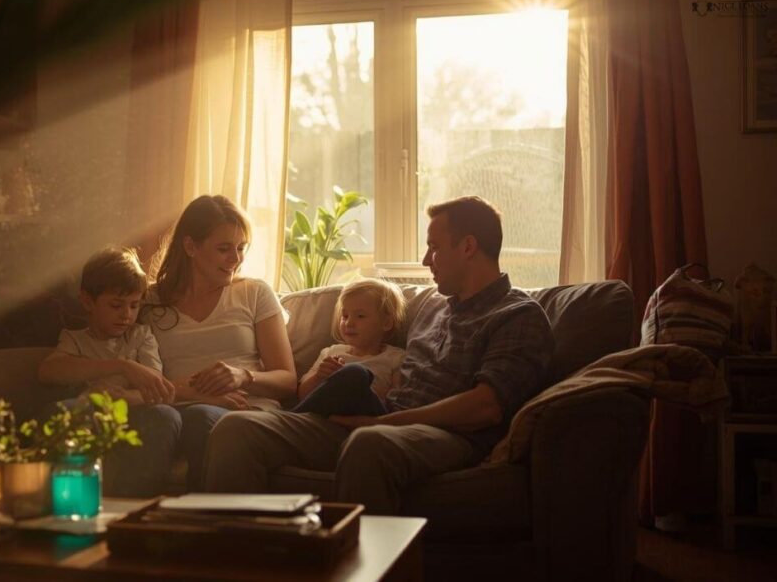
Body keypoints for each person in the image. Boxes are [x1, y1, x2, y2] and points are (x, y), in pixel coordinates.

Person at [204, 196, 555, 515]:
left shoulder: (518, 316)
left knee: (369, 443)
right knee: (238, 428)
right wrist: (374, 418)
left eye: (433, 247)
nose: (425, 260)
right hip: (379, 420)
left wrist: (382, 424)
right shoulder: (434, 308)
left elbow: (485, 407)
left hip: (447, 436)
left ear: (467, 247)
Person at [142, 194, 297, 490]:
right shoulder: (149, 301)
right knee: (162, 420)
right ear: (190, 247)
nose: (236, 259)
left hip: (245, 413)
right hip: (177, 409)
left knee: (202, 418)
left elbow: (288, 380)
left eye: (241, 249)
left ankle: (207, 525)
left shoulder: (254, 292)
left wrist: (244, 376)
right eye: (224, 249)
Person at [36, 247, 180, 497]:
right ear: (87, 301)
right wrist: (122, 365)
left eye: (134, 306)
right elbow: (48, 371)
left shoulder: (140, 336)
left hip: (135, 413)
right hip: (89, 412)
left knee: (166, 416)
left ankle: (133, 506)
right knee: (60, 413)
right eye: (116, 305)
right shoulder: (75, 339)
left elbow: (155, 387)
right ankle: (72, 499)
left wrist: (123, 397)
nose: (127, 315)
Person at [291, 278, 406, 417]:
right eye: (344, 316)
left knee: (355, 372)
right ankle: (292, 419)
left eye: (360, 316)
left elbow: (397, 403)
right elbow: (302, 394)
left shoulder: (395, 358)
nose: (349, 323)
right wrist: (318, 377)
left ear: (386, 323)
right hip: (326, 418)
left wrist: (358, 387)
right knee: (353, 372)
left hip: (367, 418)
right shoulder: (331, 352)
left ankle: (287, 421)